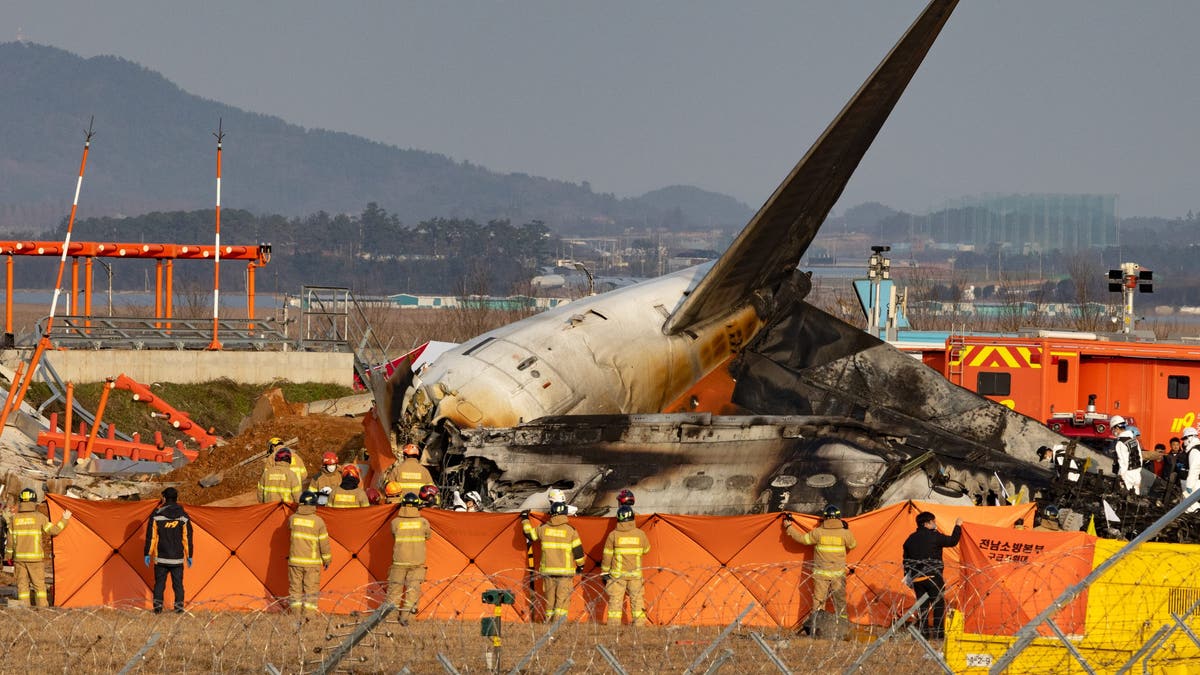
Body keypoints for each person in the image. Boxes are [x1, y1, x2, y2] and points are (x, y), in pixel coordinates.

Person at [785, 504, 857, 631]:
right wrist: (847, 529)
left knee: (818, 602)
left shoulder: (818, 532)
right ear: (839, 517)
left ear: (824, 518)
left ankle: (817, 629)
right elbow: (853, 545)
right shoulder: (845, 533)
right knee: (840, 602)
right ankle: (843, 627)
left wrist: (789, 527)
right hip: (838, 575)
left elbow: (802, 539)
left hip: (821, 575)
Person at [5, 488, 71, 607]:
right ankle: (42, 611)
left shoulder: (14, 519)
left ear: (21, 502)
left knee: (22, 588)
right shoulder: (39, 517)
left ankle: (25, 611)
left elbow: (9, 542)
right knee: (39, 587)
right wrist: (65, 519)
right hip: (35, 560)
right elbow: (54, 531)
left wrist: (8, 557)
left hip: (19, 560)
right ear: (33, 501)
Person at [902, 512, 962, 640]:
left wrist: (908, 577)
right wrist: (957, 526)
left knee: (922, 607)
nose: (935, 524)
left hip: (917, 578)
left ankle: (923, 634)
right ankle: (939, 635)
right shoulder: (934, 536)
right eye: (933, 521)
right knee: (938, 606)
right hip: (933, 576)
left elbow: (906, 560)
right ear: (926, 523)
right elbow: (952, 541)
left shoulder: (910, 539)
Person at [521, 501, 585, 622]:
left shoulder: (543, 528)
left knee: (549, 600)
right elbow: (578, 551)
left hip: (548, 571)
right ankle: (558, 625)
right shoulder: (571, 530)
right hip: (565, 573)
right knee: (562, 600)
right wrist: (580, 566)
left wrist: (524, 519)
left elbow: (529, 535)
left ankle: (548, 622)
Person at [143, 486, 194, 613]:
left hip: (161, 558)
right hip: (177, 559)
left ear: (164, 498)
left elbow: (152, 537)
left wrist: (147, 553)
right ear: (177, 499)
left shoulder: (156, 516)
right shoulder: (183, 516)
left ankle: (157, 610)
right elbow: (187, 537)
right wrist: (189, 555)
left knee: (159, 584)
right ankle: (179, 609)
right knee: (178, 585)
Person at [602, 505, 651, 626]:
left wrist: (604, 573)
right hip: (635, 575)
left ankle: (613, 627)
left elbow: (607, 556)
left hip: (617, 576)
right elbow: (647, 550)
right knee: (637, 600)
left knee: (615, 601)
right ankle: (639, 626)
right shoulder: (640, 534)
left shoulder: (613, 535)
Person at [388, 492, 432, 625]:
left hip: (398, 562)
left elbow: (393, 536)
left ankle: (390, 618)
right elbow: (428, 536)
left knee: (393, 592)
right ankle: (406, 619)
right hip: (417, 563)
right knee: (412, 592)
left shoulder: (395, 522)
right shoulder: (423, 522)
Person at [288, 490, 332, 614]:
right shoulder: (318, 522)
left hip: (295, 562)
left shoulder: (292, 519)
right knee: (311, 591)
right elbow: (324, 543)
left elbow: (289, 528)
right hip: (311, 563)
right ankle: (309, 617)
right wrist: (327, 559)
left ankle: (295, 616)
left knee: (295, 590)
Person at [1110, 416, 1142, 494]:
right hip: (1137, 473)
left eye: (1113, 429)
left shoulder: (1120, 443)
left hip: (1127, 475)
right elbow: (1140, 457)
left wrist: (1121, 477)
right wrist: (1138, 472)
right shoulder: (1134, 440)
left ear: (1117, 427)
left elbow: (1123, 462)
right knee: (1136, 499)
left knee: (1125, 499)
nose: (1113, 431)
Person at [1182, 427, 1200, 513]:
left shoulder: (1194, 451)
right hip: (1196, 481)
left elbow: (1194, 469)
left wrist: (1189, 485)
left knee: (1192, 508)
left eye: (1185, 438)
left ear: (1190, 437)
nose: (1184, 441)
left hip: (1196, 483)